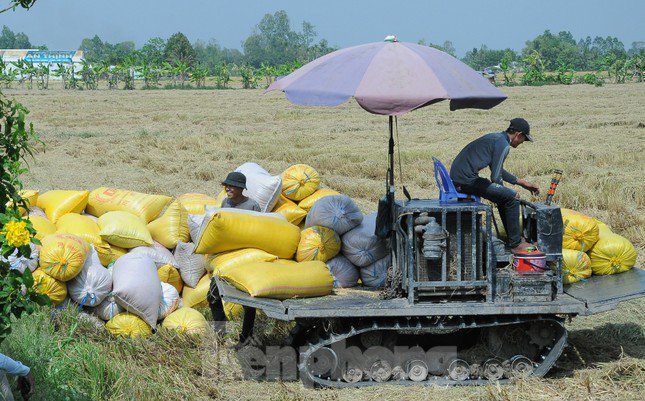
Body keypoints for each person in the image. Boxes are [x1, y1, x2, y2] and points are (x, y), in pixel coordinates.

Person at [449, 118, 540, 252]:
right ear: (518, 135)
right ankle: (515, 244)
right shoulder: (503, 144)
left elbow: (498, 169)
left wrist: (523, 183)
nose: (522, 143)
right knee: (513, 197)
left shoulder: (497, 138)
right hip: (466, 181)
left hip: (461, 178)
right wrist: (506, 191)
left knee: (505, 196)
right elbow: (496, 177)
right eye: (524, 140)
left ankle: (513, 238)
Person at [207, 171, 260, 348]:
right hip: (226, 258)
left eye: (232, 186)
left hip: (246, 258)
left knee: (248, 302)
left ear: (241, 188)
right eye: (226, 185)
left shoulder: (252, 206)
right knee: (213, 296)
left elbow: (262, 231)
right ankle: (220, 333)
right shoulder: (225, 202)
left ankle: (245, 339)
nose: (228, 188)